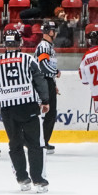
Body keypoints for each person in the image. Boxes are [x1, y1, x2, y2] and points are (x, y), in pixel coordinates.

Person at [0, 29, 50, 192]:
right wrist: (45, 100)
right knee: (35, 144)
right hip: (28, 106)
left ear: (5, 44)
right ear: (19, 43)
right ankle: (38, 180)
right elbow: (39, 80)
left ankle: (22, 178)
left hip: (8, 108)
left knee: (15, 144)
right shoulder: (28, 59)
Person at [35, 20, 61, 154]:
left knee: (50, 113)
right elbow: (43, 65)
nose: (56, 33)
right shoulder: (44, 46)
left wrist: (53, 83)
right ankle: (41, 141)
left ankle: (43, 141)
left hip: (47, 81)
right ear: (50, 32)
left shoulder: (47, 46)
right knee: (47, 113)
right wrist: (54, 73)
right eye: (54, 30)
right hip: (44, 82)